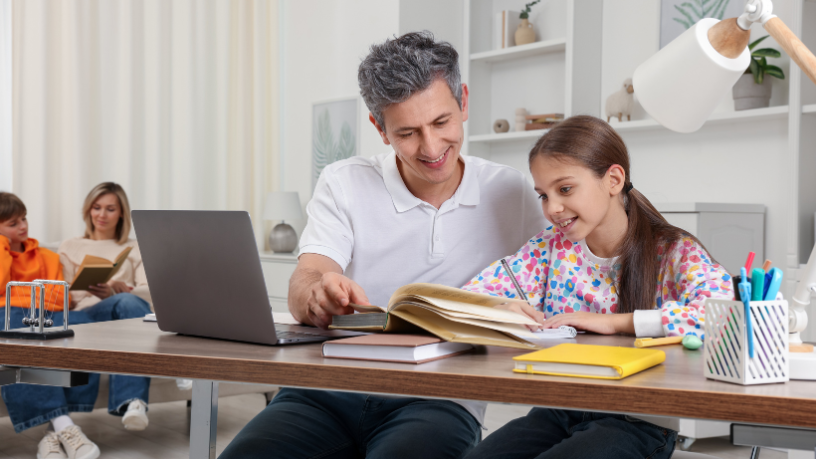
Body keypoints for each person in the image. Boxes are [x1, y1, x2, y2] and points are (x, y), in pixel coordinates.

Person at [219, 31, 547, 459]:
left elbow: (563, 273)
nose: (431, 148)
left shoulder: (511, 192)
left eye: (442, 122)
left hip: (440, 400)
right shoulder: (344, 181)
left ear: (463, 101)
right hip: (326, 391)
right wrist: (318, 294)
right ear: (379, 128)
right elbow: (307, 279)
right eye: (408, 132)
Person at [460, 115, 735, 459]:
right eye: (543, 195)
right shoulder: (550, 248)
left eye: (565, 189)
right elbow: (467, 296)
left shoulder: (673, 249)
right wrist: (497, 307)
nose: (552, 208)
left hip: (638, 421)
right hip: (559, 410)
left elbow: (723, 315)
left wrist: (618, 323)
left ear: (613, 180)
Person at [0, 184, 152, 459]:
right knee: (22, 329)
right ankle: (63, 426)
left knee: (78, 325)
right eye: (14, 223)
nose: (23, 226)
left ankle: (63, 428)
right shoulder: (70, 246)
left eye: (24, 219)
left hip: (85, 311)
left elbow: (55, 298)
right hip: (42, 311)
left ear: (121, 214)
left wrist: (116, 288)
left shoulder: (45, 256)